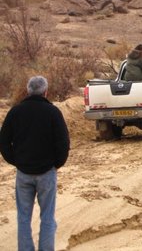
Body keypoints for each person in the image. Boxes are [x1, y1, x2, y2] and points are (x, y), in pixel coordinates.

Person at [0, 76, 70, 251]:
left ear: (28, 91)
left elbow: (3, 141)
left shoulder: (15, 112)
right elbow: (63, 142)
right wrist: (57, 164)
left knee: (23, 218)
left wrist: (16, 161)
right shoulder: (53, 112)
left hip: (23, 173)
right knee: (47, 217)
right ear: (46, 92)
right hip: (47, 173)